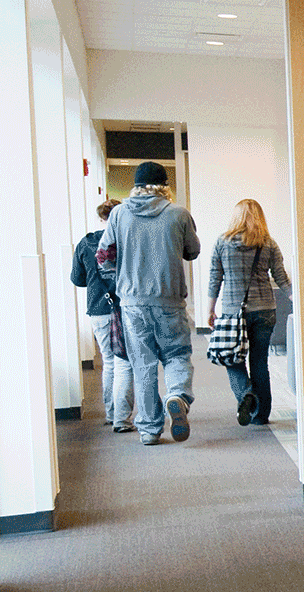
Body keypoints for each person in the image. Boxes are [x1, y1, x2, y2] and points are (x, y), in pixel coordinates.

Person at [97, 162, 201, 446]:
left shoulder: (118, 214)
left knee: (143, 365)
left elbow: (104, 256)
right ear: (164, 186)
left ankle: (149, 430)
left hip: (132, 303)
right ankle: (177, 395)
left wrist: (120, 279)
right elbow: (193, 251)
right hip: (169, 300)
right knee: (177, 354)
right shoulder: (178, 213)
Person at [206, 199, 292, 427]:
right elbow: (282, 279)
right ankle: (261, 415)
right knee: (259, 362)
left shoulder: (222, 243)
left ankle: (246, 395)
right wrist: (297, 301)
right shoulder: (269, 244)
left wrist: (210, 309)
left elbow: (215, 278)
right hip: (265, 311)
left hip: (233, 313)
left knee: (232, 359)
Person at [72, 198, 133, 432]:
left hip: (98, 308)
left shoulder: (86, 243)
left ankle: (110, 414)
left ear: (101, 218)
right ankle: (122, 419)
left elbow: (77, 279)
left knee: (108, 362)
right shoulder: (127, 241)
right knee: (124, 363)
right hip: (126, 307)